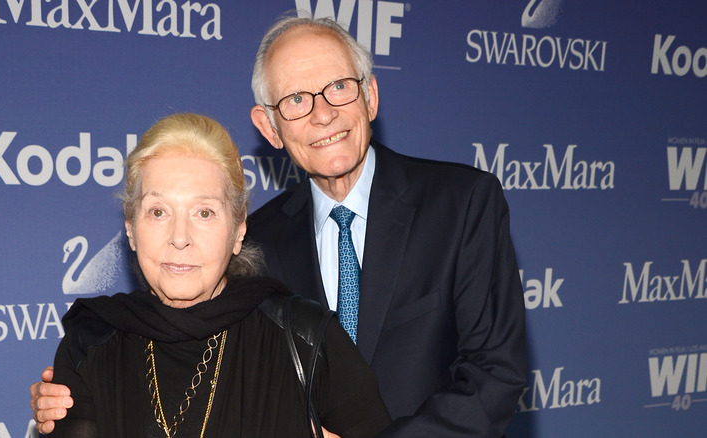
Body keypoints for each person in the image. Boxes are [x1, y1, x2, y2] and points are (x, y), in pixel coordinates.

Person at [32, 15, 527, 437]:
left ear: (370, 96)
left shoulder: (462, 203)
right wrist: (68, 405)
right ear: (269, 127)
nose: (323, 113)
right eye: (295, 99)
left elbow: (495, 377)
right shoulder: (253, 239)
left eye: (339, 87)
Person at [44, 112, 390, 438]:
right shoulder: (91, 341)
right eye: (159, 211)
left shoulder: (305, 337)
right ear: (131, 228)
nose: (180, 237)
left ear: (239, 229)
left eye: (204, 212)